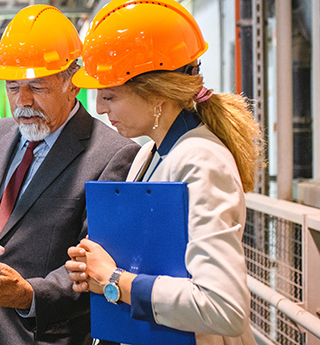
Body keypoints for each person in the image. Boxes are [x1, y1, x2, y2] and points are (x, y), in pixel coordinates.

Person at [0, 4, 140, 345]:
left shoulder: (113, 155)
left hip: (40, 335)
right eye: (13, 88)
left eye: (37, 87)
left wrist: (26, 295)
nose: (22, 102)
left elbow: (96, 267)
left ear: (73, 84)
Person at [65, 1, 262, 344]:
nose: (98, 108)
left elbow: (224, 308)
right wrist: (95, 269)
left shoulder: (202, 160)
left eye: (109, 96)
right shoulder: (147, 155)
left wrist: (115, 280)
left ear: (155, 93)